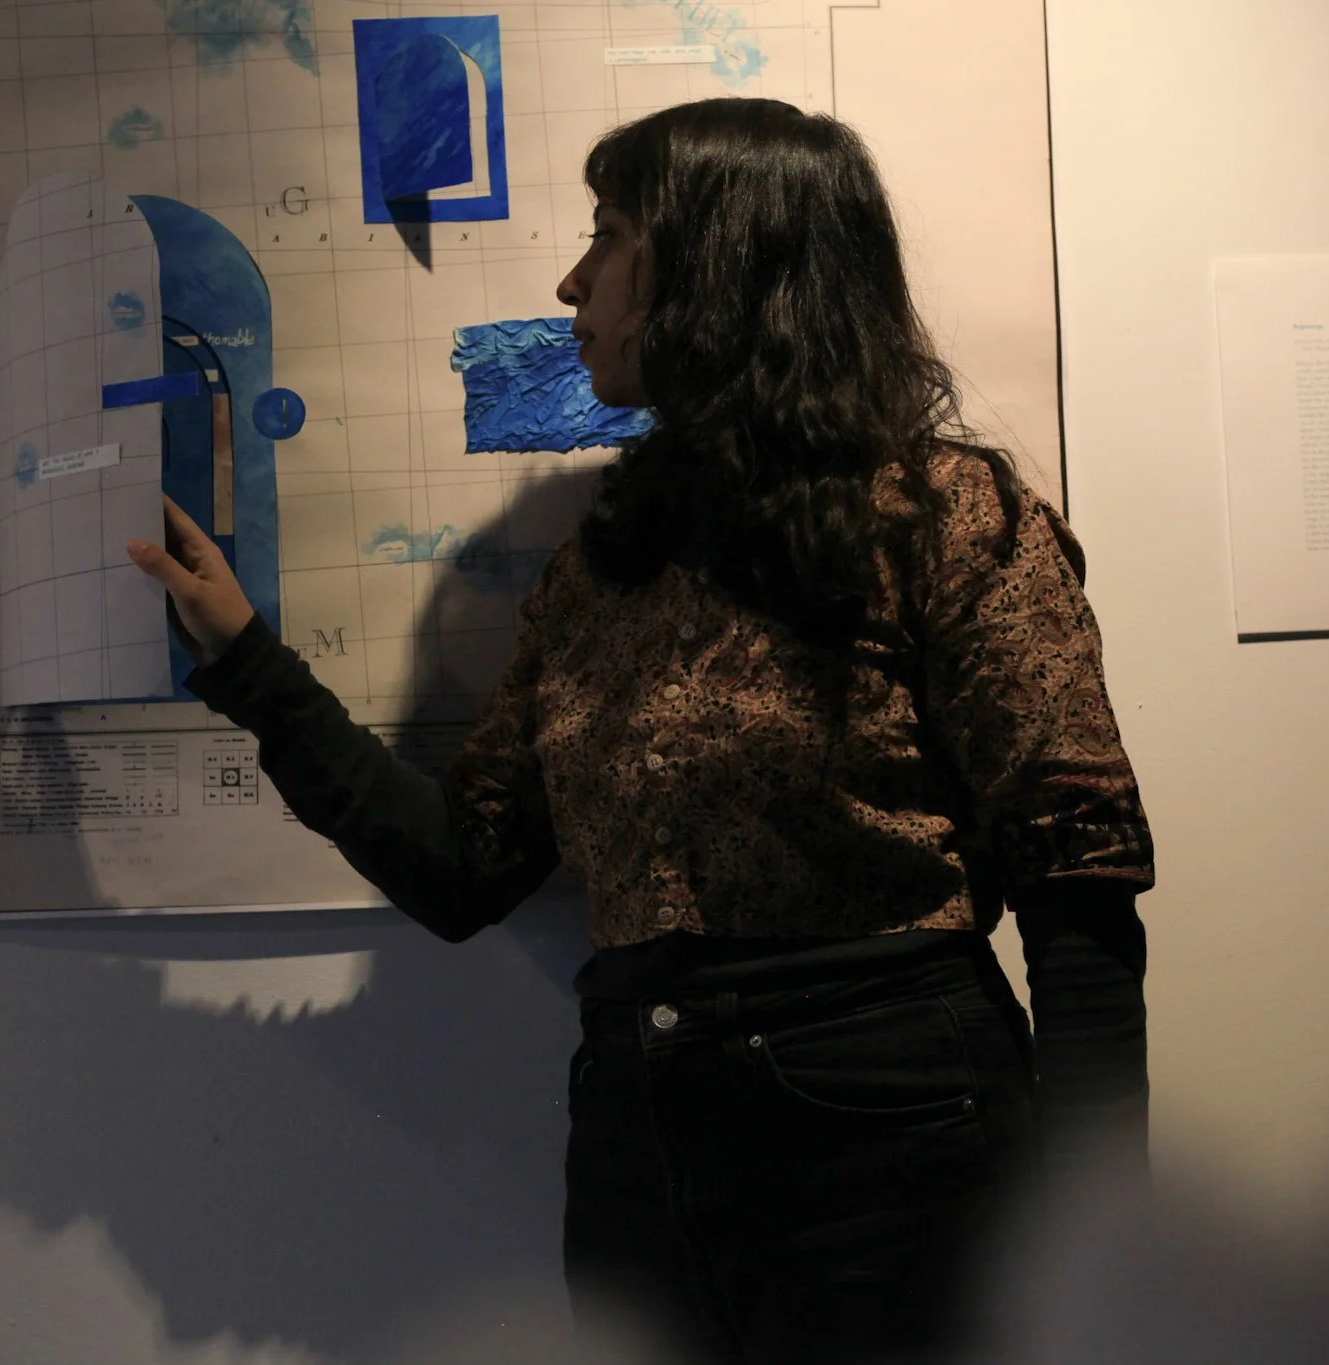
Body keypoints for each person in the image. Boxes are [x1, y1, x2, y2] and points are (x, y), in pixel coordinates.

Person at [129, 97, 1153, 1365]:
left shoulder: (945, 521)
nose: (571, 281)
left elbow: (1079, 888)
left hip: (892, 1134)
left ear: (722, 269)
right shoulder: (607, 562)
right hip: (636, 1137)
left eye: (609, 237)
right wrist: (248, 665)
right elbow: (462, 870)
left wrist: (1115, 1255)